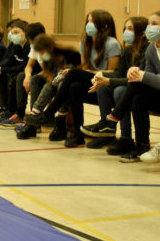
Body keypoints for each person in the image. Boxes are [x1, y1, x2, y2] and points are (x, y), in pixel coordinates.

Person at [26, 10, 121, 147]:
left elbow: (113, 71)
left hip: (106, 84)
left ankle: (48, 114)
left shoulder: (112, 43)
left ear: (104, 26)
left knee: (72, 74)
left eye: (92, 22)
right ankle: (78, 133)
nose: (88, 24)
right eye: (87, 21)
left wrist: (75, 72)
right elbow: (86, 68)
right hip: (92, 82)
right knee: (73, 86)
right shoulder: (85, 42)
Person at [91, 12, 160, 162]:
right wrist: (135, 73)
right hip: (154, 95)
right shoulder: (152, 49)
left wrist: (141, 75)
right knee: (138, 97)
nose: (150, 27)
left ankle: (112, 120)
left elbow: (146, 77)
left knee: (133, 86)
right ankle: (142, 144)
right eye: (149, 24)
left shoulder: (144, 49)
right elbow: (146, 76)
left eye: (154, 24)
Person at [81, 16, 149, 152]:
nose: (126, 32)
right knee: (102, 87)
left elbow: (138, 79)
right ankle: (106, 132)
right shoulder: (128, 50)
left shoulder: (148, 50)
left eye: (130, 29)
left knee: (119, 90)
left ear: (142, 33)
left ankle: (126, 138)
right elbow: (118, 72)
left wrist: (109, 80)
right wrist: (102, 75)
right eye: (125, 29)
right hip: (129, 86)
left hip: (142, 89)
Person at [15, 34, 81, 139]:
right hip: (56, 81)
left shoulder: (72, 54)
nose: (42, 55)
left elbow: (80, 72)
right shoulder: (48, 56)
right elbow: (49, 74)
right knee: (46, 86)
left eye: (42, 52)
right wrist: (52, 85)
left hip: (70, 83)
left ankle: (60, 125)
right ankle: (32, 123)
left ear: (50, 47)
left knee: (61, 88)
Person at [1, 22, 46, 126]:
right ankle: (19, 114)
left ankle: (33, 119)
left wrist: (33, 77)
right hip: (42, 74)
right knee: (22, 76)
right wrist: (28, 75)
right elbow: (29, 65)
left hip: (53, 75)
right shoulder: (34, 46)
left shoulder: (48, 47)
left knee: (35, 80)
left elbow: (51, 70)